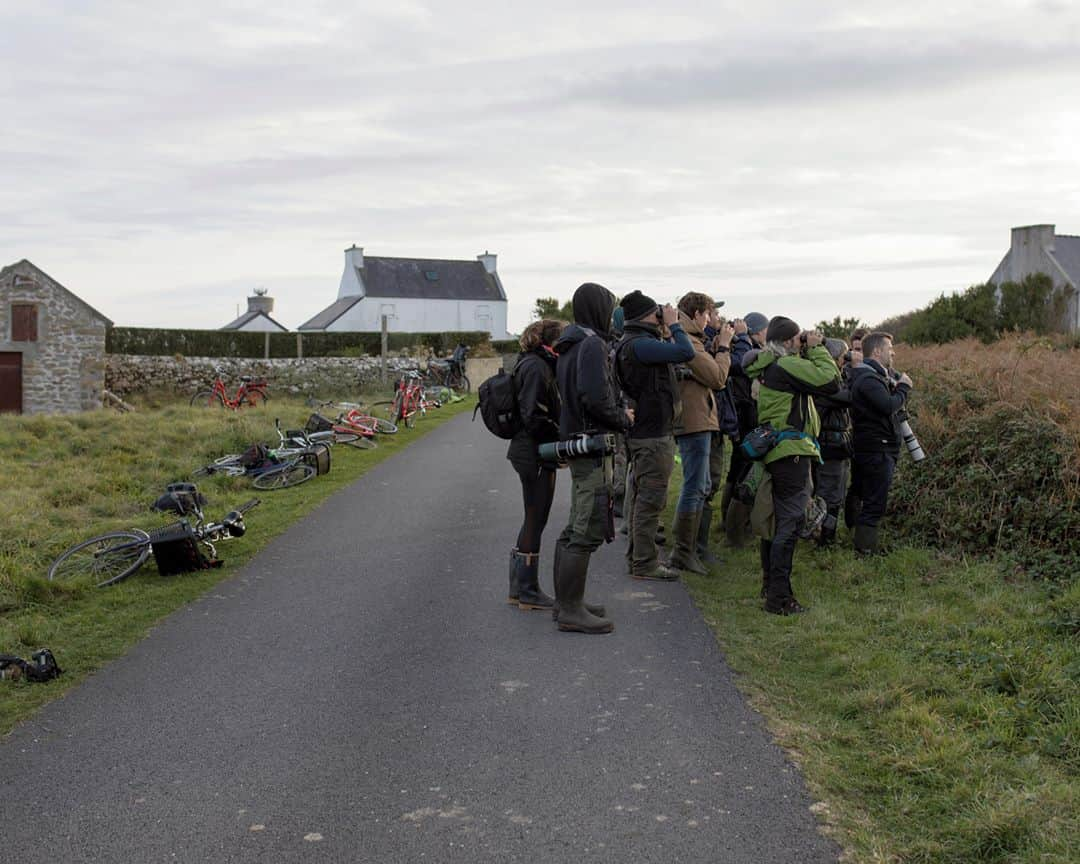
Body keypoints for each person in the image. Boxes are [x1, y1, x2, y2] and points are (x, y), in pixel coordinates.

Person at [744, 317, 840, 614]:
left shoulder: (770, 364)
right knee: (790, 522)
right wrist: (819, 347)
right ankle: (780, 600)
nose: (802, 342)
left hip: (781, 450)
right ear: (787, 342)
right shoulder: (785, 366)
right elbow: (831, 381)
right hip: (791, 452)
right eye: (799, 339)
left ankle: (770, 589)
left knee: (775, 524)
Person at [552, 282, 633, 634]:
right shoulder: (593, 344)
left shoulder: (569, 344)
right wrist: (622, 419)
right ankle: (570, 609)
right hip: (592, 442)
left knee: (575, 524)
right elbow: (595, 398)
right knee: (586, 527)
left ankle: (566, 602)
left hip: (576, 441)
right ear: (599, 308)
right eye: (609, 305)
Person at [613, 290, 695, 581]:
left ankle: (639, 557)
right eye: (657, 313)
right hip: (652, 436)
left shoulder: (634, 343)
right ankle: (644, 563)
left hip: (645, 433)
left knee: (641, 498)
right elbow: (687, 352)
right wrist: (674, 325)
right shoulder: (640, 345)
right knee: (650, 501)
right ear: (648, 315)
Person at [670, 292, 732, 575]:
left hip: (698, 419)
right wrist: (724, 348)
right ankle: (683, 552)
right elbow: (717, 379)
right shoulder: (689, 342)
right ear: (696, 315)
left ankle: (692, 549)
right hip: (694, 421)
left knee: (700, 485)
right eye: (707, 313)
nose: (710, 319)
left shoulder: (690, 338)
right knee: (694, 486)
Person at [506, 319, 564, 611]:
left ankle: (519, 588)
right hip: (534, 452)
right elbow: (533, 416)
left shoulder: (530, 363)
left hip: (529, 451)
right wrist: (558, 437)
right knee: (535, 517)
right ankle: (527, 590)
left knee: (533, 517)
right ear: (552, 343)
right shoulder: (537, 367)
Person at [848, 331, 913, 554]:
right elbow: (887, 405)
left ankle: (861, 544)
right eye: (889, 348)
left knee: (869, 496)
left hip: (877, 445)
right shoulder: (868, 379)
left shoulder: (874, 376)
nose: (893, 353)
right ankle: (865, 552)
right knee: (875, 501)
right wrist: (904, 387)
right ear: (877, 351)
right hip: (876, 447)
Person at [722, 311, 769, 545]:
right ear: (759, 330)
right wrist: (742, 338)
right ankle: (736, 530)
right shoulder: (747, 351)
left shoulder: (742, 347)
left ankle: (729, 524)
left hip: (741, 414)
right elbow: (741, 367)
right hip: (746, 415)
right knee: (744, 471)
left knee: (737, 470)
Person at [812, 338, 854, 547]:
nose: (844, 361)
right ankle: (824, 539)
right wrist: (856, 368)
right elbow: (849, 396)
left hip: (837, 445)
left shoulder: (831, 379)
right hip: (829, 446)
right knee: (829, 495)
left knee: (836, 494)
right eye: (842, 357)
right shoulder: (824, 384)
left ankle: (826, 535)